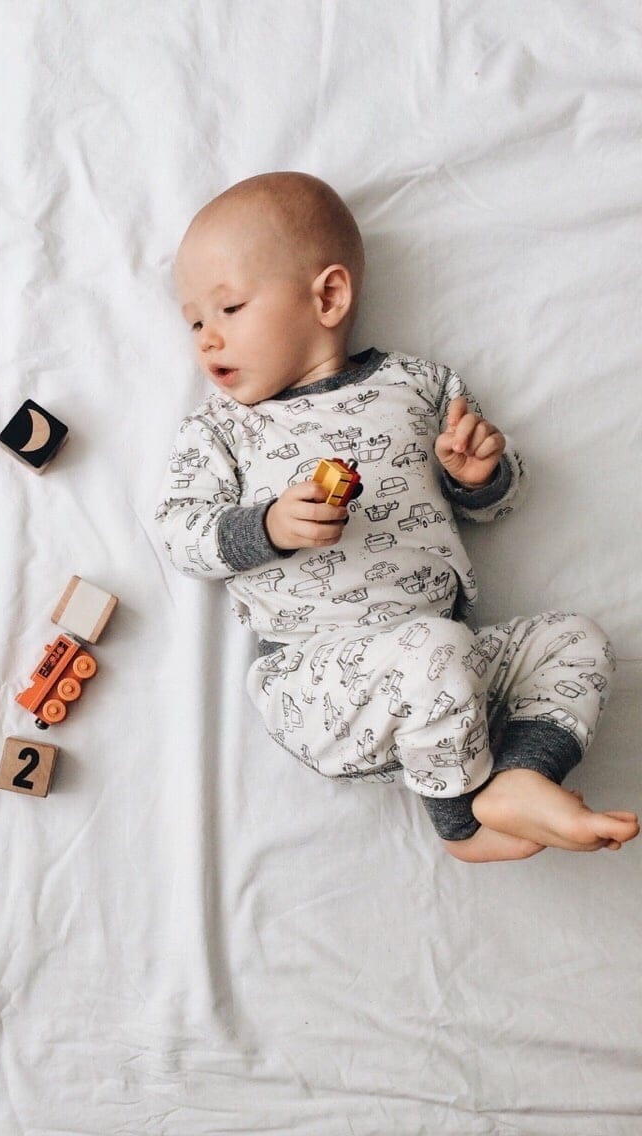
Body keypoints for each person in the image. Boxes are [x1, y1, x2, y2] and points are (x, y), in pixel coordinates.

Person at [154, 171, 638, 862]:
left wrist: (478, 477)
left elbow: (501, 504)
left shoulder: (419, 386)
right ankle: (463, 823)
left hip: (453, 667)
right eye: (194, 320)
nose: (206, 339)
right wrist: (266, 528)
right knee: (431, 652)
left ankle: (521, 776)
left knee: (578, 640)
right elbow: (178, 531)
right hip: (316, 680)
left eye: (228, 308)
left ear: (328, 295)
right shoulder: (224, 427)